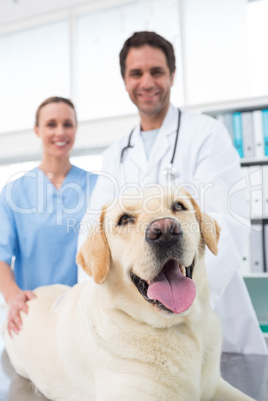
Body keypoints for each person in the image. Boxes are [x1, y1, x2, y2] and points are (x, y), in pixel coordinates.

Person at [78, 31, 267, 355]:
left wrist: (186, 302)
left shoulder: (207, 134)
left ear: (172, 75)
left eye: (157, 71)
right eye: (136, 73)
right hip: (135, 334)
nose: (147, 82)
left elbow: (226, 223)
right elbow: (94, 234)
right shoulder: (115, 154)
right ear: (125, 81)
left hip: (209, 318)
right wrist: (92, 318)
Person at [0, 96, 97, 336]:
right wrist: (13, 296)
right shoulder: (14, 192)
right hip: (34, 314)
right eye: (51, 124)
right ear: (37, 130)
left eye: (68, 124)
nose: (60, 132)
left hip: (88, 313)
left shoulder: (97, 186)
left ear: (75, 129)